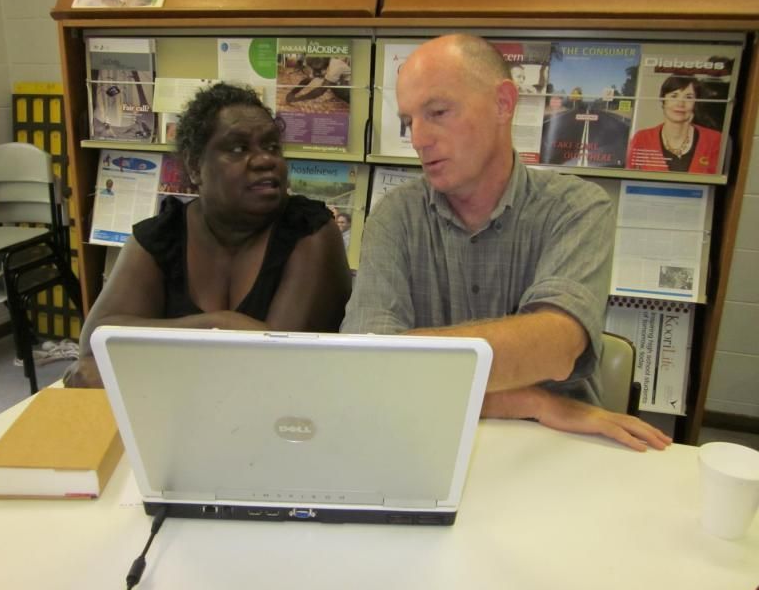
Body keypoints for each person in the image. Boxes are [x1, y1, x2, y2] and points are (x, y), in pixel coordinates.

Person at [341, 35, 672, 453]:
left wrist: (414, 363)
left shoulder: (578, 207)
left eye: (438, 112)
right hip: (427, 437)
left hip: (555, 452)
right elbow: (368, 364)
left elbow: (554, 346)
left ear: (503, 103)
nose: (419, 139)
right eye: (409, 121)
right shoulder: (395, 216)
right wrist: (530, 400)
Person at [65, 83, 352, 388]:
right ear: (194, 165)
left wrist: (140, 361)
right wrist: (218, 324)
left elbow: (275, 365)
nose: (265, 160)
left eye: (271, 147)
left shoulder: (310, 231)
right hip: (177, 416)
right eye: (239, 148)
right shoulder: (163, 235)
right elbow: (95, 345)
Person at [626, 75, 721, 173]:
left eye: (688, 97)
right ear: (663, 101)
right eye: (674, 96)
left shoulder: (714, 140)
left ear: (695, 103)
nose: (680, 103)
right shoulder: (641, 138)